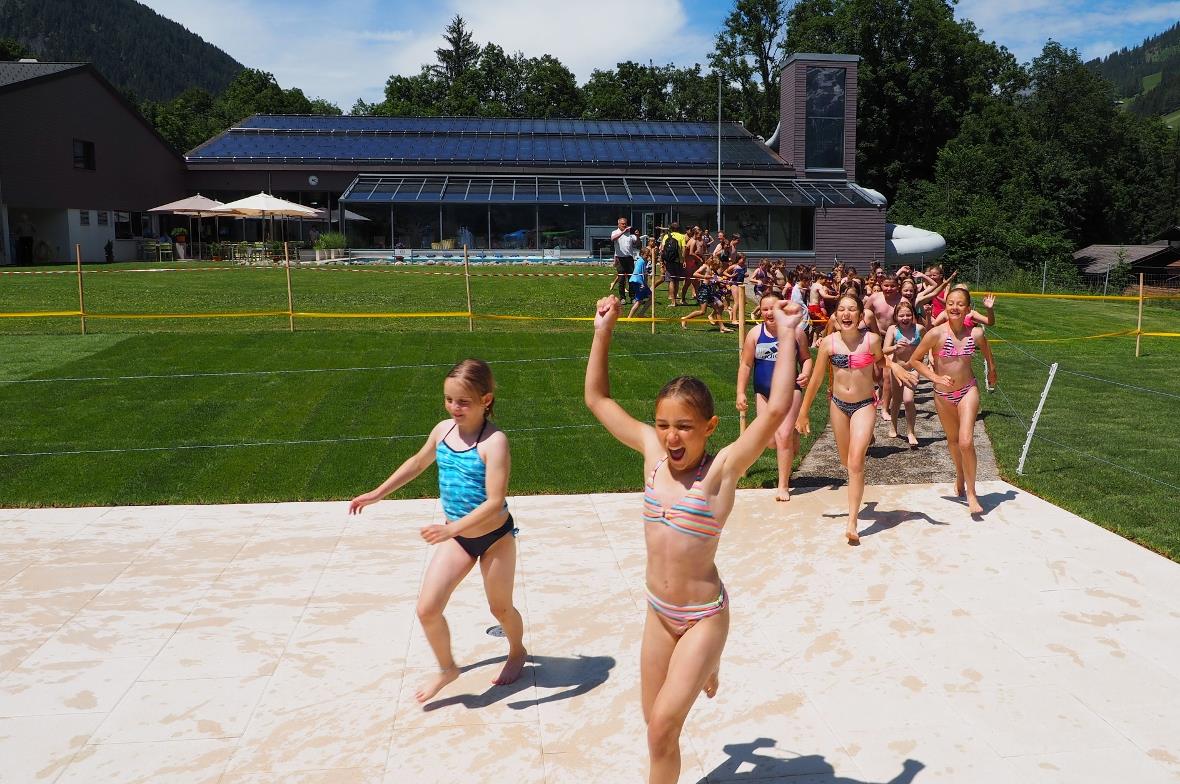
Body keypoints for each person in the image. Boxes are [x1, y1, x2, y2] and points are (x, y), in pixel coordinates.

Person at [586, 293, 804, 784]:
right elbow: (598, 400)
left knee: (663, 726)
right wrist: (603, 332)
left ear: (710, 427)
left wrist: (788, 336)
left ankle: (707, 657)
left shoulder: (720, 472)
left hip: (704, 616)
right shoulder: (652, 457)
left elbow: (775, 413)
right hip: (659, 614)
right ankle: (704, 668)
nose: (671, 437)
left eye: (684, 427)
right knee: (653, 726)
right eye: (663, 425)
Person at [348, 359, 526, 701]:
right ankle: (448, 669)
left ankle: (517, 650)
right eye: (448, 399)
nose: (454, 408)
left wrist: (450, 529)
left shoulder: (494, 442)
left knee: (500, 608)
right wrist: (377, 494)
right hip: (458, 537)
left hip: (494, 538)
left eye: (463, 401)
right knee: (427, 609)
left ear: (486, 400)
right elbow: (417, 462)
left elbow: (494, 501)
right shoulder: (442, 431)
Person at [796, 294, 913, 543]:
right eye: (841, 310)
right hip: (838, 406)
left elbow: (881, 361)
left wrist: (897, 367)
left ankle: (852, 522)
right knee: (846, 461)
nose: (846, 314)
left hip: (864, 405)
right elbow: (816, 380)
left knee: (856, 460)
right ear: (836, 315)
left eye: (852, 310)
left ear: (861, 316)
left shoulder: (871, 340)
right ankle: (860, 502)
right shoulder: (828, 344)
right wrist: (803, 411)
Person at [904, 288, 997, 516]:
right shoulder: (935, 334)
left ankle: (972, 494)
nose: (954, 307)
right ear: (945, 307)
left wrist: (992, 372)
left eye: (959, 304)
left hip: (967, 390)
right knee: (953, 442)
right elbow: (914, 360)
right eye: (950, 304)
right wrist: (935, 377)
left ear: (967, 308)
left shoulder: (975, 334)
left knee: (966, 442)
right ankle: (959, 473)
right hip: (943, 395)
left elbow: (987, 354)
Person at [737, 291, 813, 501]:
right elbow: (745, 364)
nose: (770, 312)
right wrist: (740, 392)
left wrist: (806, 372)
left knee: (783, 435)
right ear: (760, 311)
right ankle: (793, 436)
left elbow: (806, 358)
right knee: (769, 440)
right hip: (763, 392)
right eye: (765, 309)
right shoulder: (754, 334)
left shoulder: (796, 333)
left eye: (774, 308)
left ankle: (783, 485)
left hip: (790, 391)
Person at [881, 298, 923, 447]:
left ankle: (911, 432)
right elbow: (884, 350)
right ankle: (893, 426)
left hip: (913, 369)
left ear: (913, 315)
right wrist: (895, 347)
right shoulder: (893, 330)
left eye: (908, 315)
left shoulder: (918, 329)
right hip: (897, 370)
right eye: (901, 315)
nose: (905, 318)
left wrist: (930, 359)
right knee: (897, 400)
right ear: (896, 317)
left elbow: (930, 342)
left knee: (909, 400)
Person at [658, 222, 688, 305]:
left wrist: (661, 261)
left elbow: (662, 250)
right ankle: (675, 299)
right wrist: (684, 260)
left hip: (669, 261)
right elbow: (683, 250)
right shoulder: (682, 236)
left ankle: (673, 302)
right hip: (678, 261)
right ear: (678, 228)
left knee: (671, 280)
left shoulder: (666, 236)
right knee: (677, 280)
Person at [610, 217, 638, 303]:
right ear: (618, 224)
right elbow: (613, 239)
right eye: (622, 224)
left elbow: (637, 243)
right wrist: (622, 232)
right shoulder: (615, 232)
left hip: (629, 259)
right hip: (620, 259)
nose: (624, 225)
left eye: (625, 223)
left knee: (631, 279)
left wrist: (637, 235)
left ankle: (632, 297)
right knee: (621, 279)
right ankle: (622, 298)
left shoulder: (630, 233)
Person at [629, 240, 653, 319]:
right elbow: (639, 273)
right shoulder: (641, 262)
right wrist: (642, 284)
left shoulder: (642, 261)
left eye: (648, 255)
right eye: (647, 255)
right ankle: (629, 317)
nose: (648, 257)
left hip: (641, 283)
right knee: (639, 301)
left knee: (651, 298)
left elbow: (644, 274)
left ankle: (641, 313)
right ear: (642, 254)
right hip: (638, 282)